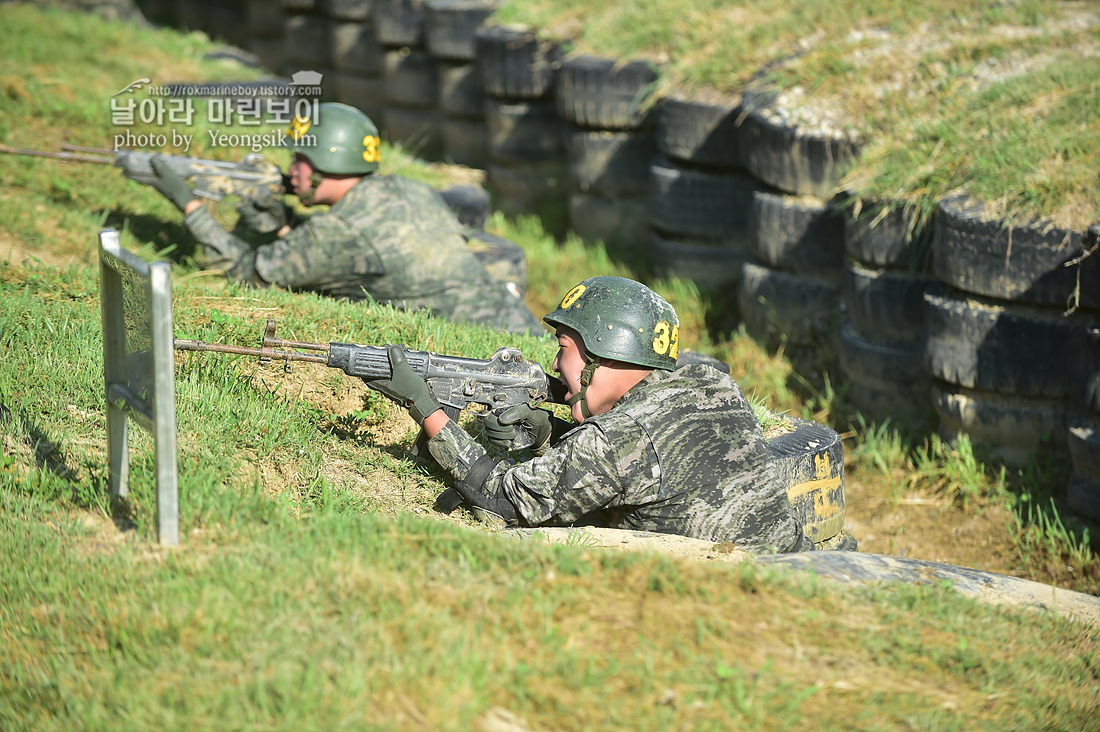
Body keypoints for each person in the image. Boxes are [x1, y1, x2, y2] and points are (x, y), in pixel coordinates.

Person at [368, 275, 812, 554]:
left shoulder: (617, 439)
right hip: (804, 563)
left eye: (563, 349)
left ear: (605, 352)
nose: (557, 365)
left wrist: (426, 410)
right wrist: (552, 432)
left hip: (735, 598)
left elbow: (503, 501)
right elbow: (648, 462)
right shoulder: (711, 383)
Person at [144, 102, 544, 336]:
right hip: (519, 326)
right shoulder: (405, 189)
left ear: (326, 162)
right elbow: (359, 250)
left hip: (486, 345)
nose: (292, 169)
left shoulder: (338, 230)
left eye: (300, 159)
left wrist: (190, 206)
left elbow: (245, 273)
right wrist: (283, 223)